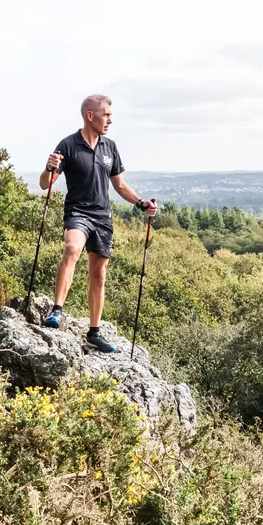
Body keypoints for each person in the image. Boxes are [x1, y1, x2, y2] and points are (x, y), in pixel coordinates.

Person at [40, 94, 155, 353]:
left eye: (111, 116)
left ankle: (94, 332)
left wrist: (141, 203)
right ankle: (56, 311)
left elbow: (120, 185)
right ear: (90, 116)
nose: (110, 121)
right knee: (72, 248)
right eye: (106, 115)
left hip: (103, 217)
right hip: (78, 211)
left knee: (99, 274)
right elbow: (45, 184)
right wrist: (48, 168)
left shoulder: (110, 147)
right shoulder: (67, 145)